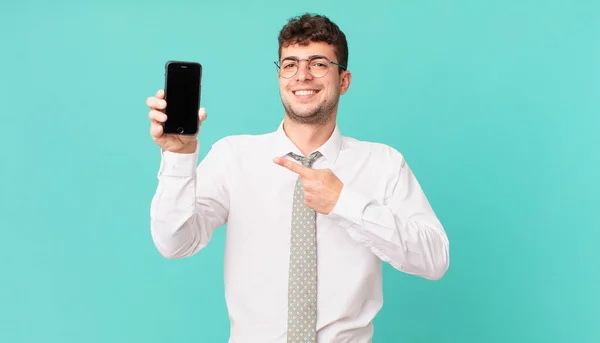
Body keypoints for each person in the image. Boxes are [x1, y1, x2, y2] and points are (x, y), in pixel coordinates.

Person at [146, 13, 449, 343]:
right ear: (280, 76)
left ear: (343, 80)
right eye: (290, 64)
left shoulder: (383, 164)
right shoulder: (233, 157)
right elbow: (174, 243)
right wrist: (178, 156)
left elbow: (434, 259)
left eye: (318, 64)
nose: (302, 75)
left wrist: (345, 203)